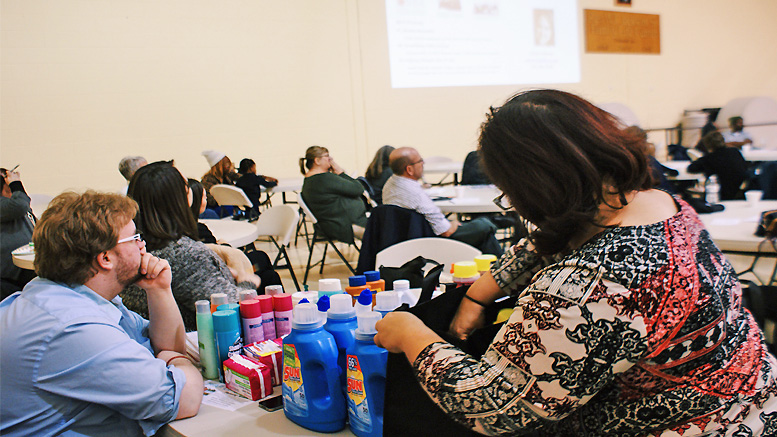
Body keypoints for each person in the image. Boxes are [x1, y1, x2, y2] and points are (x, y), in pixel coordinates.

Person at [374, 90, 777, 436]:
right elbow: (553, 242)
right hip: (756, 401)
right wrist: (480, 293)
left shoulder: (585, 286)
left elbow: (492, 406)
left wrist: (410, 333)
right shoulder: (662, 205)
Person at [0, 191, 203, 436]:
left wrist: (159, 290)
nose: (143, 245)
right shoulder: (73, 327)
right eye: (135, 238)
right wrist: (177, 360)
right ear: (105, 257)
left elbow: (163, 344)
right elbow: (183, 398)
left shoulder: (58, 296)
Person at [121, 161, 262, 330]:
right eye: (186, 186)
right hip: (197, 347)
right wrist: (247, 283)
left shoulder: (133, 249)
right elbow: (232, 309)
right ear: (179, 199)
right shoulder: (184, 256)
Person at [381, 147, 503, 255]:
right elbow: (445, 231)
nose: (423, 163)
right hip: (433, 240)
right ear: (409, 169)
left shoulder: (390, 185)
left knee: (485, 236)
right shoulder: (416, 194)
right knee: (484, 226)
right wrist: (453, 224)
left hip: (409, 238)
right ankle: (500, 269)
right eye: (420, 161)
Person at [300, 146, 368, 243]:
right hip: (344, 226)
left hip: (332, 225)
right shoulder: (324, 179)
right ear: (317, 161)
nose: (331, 160)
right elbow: (358, 188)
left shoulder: (310, 180)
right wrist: (340, 172)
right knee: (383, 229)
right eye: (327, 157)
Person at [0, 168, 36, 298]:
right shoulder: (11, 204)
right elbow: (20, 205)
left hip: (26, 265)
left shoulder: (15, 202)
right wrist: (15, 183)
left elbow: (25, 206)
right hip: (10, 274)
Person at [688, 131, 748, 200]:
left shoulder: (709, 158)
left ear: (707, 145)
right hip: (740, 191)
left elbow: (691, 168)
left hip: (719, 194)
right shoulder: (735, 152)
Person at [201, 150, 238, 216]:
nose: (228, 167)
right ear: (219, 166)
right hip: (214, 210)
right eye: (227, 165)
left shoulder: (227, 178)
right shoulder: (208, 180)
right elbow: (210, 201)